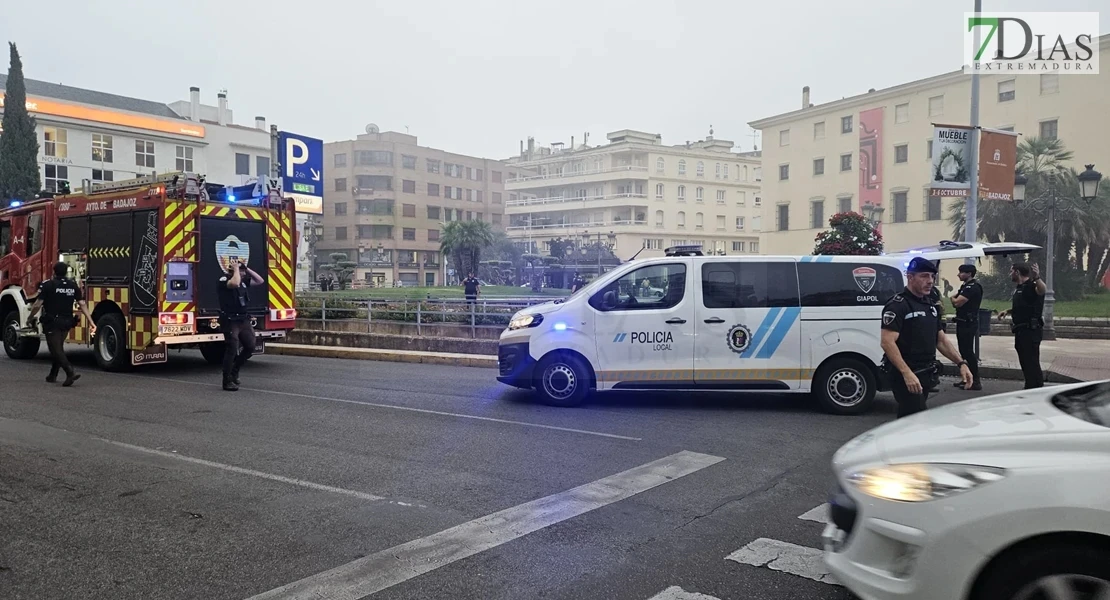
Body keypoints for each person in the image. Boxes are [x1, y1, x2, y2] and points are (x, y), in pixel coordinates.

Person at [880, 257, 973, 418]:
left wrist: (961, 363)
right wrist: (907, 373)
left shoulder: (930, 305)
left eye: (932, 276)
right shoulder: (898, 305)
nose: (930, 281)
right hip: (907, 374)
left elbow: (941, 340)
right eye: (924, 276)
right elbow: (887, 342)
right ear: (910, 277)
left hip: (925, 374)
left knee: (909, 422)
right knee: (917, 420)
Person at [27, 262, 95, 386]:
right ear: (66, 272)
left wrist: (30, 317)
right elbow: (82, 304)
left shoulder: (48, 284)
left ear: (54, 272)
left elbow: (37, 304)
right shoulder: (72, 285)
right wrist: (91, 321)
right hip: (67, 322)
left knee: (55, 349)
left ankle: (70, 372)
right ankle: (52, 375)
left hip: (53, 321)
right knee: (57, 347)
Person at [997, 262, 1046, 389]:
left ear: (1017, 272)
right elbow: (1024, 306)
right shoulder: (1020, 288)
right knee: (1025, 361)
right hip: (1020, 330)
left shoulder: (1032, 285)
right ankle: (1030, 385)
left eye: (1011, 271)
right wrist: (1008, 311)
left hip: (1031, 330)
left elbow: (1042, 290)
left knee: (1032, 361)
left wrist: (1037, 277)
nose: (1010, 274)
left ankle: (1036, 387)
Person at [217, 259, 263, 391]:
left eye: (243, 272)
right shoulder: (223, 280)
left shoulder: (243, 281)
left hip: (243, 320)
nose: (243, 274)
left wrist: (246, 268)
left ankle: (235, 371)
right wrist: (236, 268)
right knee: (232, 348)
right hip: (230, 320)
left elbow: (260, 281)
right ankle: (226, 381)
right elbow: (235, 283)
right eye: (240, 271)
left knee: (250, 346)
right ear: (232, 271)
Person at [950, 264, 984, 390]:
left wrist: (952, 298)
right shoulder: (965, 286)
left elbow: (957, 302)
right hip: (962, 322)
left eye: (961, 272)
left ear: (969, 273)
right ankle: (967, 378)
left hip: (968, 323)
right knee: (964, 351)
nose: (959, 275)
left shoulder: (972, 287)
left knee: (968, 352)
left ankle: (975, 380)